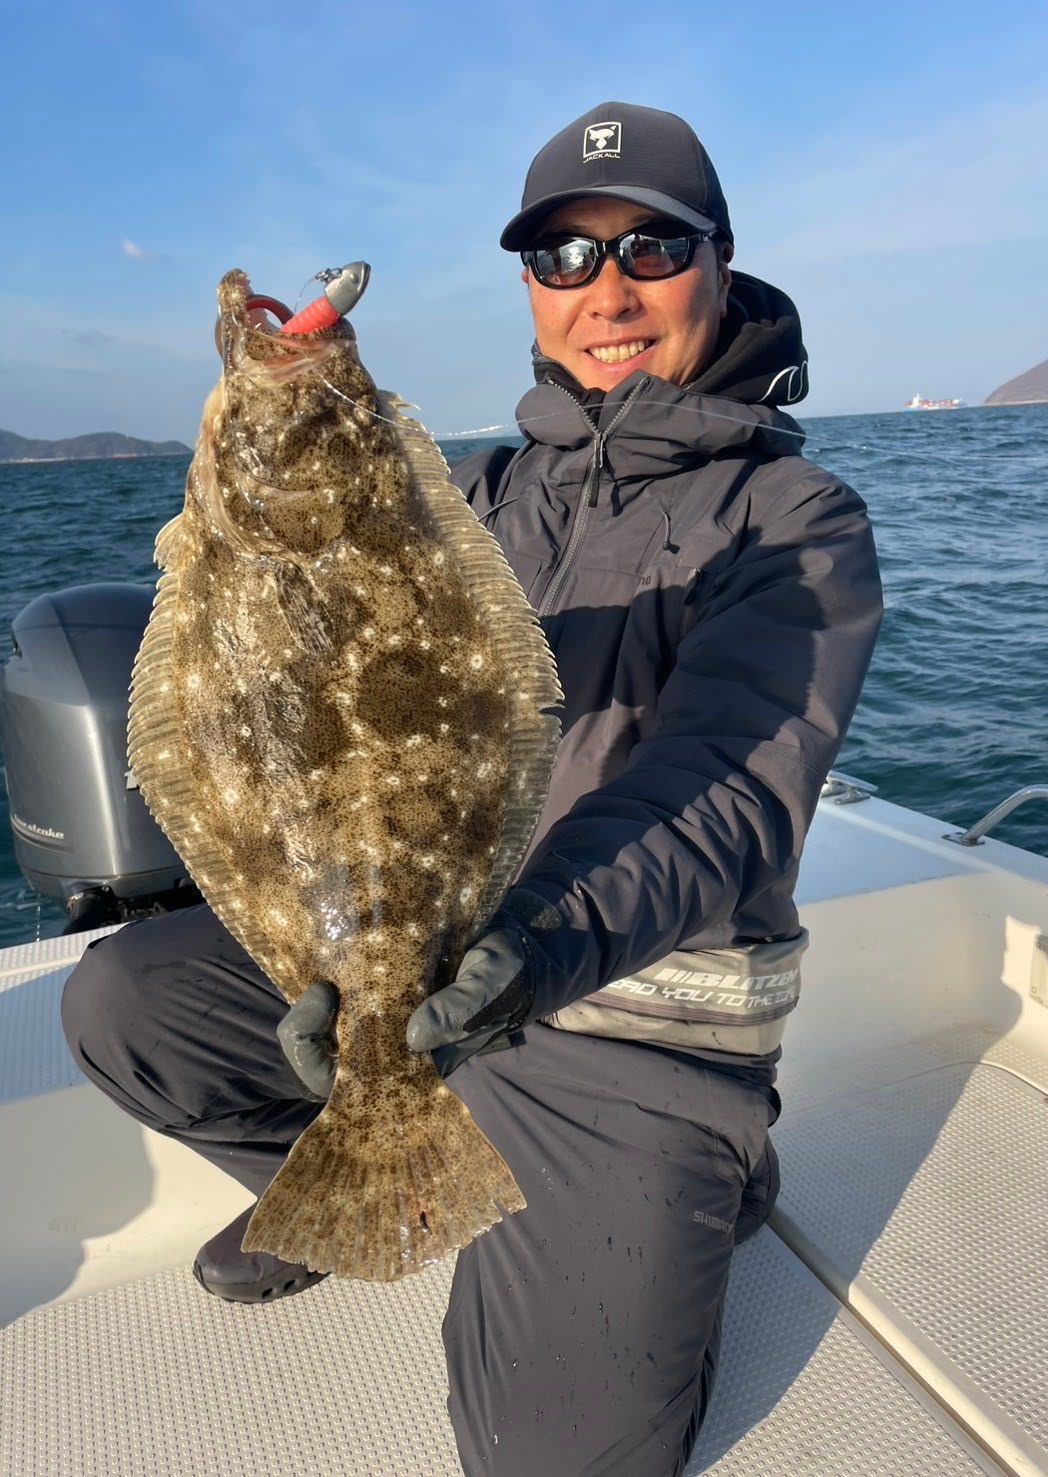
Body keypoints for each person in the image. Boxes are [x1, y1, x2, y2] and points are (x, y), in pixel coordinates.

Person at [61, 102, 882, 1475]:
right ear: (530, 290)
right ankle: (363, 1188)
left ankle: (697, 1179)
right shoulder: (465, 493)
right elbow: (284, 690)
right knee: (121, 1002)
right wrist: (231, 511)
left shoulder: (796, 525)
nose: (605, 290)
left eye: (651, 247)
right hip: (410, 969)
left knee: (555, 1457)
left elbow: (730, 783)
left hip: (627, 1021)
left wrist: (539, 944)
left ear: (720, 264)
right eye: (563, 256)